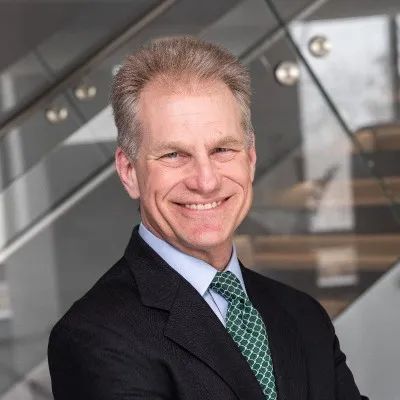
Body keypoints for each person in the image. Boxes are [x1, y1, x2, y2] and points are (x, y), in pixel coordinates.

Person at [48, 36, 367, 400]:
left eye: (222, 149)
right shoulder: (95, 335)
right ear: (129, 171)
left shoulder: (302, 314)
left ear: (250, 159)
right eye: (173, 155)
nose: (206, 180)